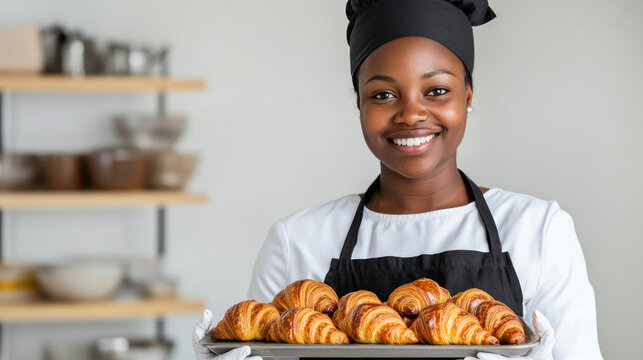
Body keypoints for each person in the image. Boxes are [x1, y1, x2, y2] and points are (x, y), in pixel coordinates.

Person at [193, 1, 603, 359]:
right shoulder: (296, 241)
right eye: (383, 95)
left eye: (437, 90)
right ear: (358, 103)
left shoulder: (539, 229)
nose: (411, 114)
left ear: (469, 96)